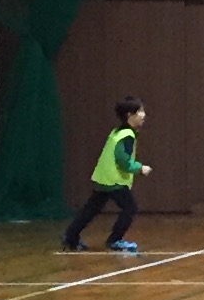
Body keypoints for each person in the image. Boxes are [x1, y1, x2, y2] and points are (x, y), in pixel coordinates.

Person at [64, 99, 149, 253]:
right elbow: (123, 160)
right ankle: (115, 240)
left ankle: (71, 237)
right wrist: (140, 168)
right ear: (130, 115)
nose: (144, 115)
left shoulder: (116, 132)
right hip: (114, 180)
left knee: (91, 209)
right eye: (140, 111)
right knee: (130, 207)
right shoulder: (127, 135)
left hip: (103, 178)